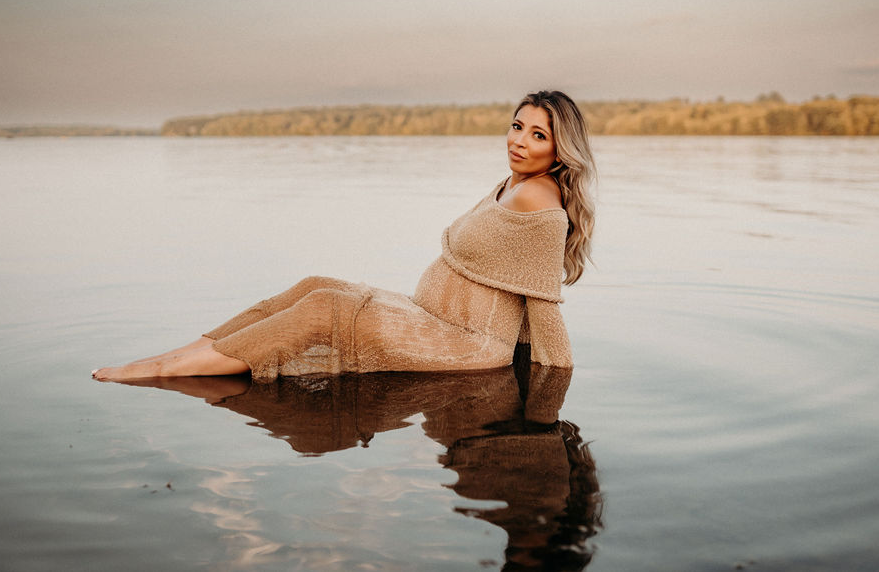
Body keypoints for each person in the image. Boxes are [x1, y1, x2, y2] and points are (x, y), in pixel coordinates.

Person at [92, 90, 596, 381]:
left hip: (466, 344)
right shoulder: (514, 181)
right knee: (314, 283)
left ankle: (166, 370)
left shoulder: (540, 201)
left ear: (559, 149)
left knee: (327, 308)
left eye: (538, 135)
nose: (519, 141)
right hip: (433, 317)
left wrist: (554, 383)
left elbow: (542, 305)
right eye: (517, 125)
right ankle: (185, 352)